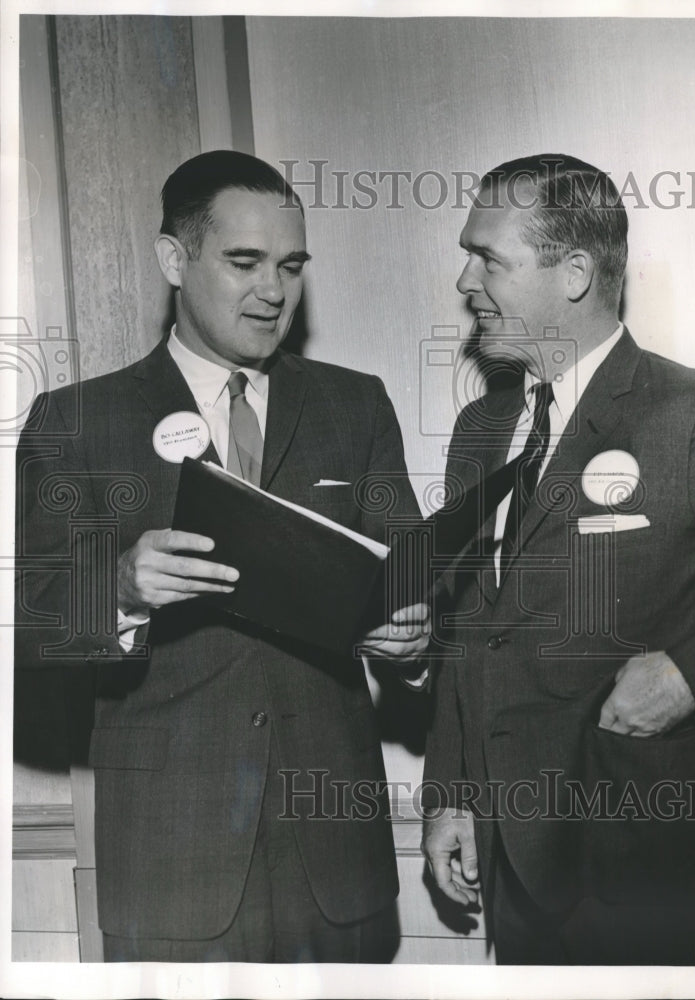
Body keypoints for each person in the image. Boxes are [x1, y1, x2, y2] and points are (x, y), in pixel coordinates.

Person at [15, 150, 428, 963]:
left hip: (336, 864)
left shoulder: (356, 403)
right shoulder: (76, 420)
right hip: (172, 865)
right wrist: (121, 590)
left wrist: (413, 639)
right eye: (244, 262)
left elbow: (412, 577)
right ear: (175, 259)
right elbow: (26, 618)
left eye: (290, 266)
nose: (273, 291)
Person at [421, 154, 695, 965]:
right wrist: (451, 796)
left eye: (487, 257)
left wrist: (691, 676)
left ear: (574, 273)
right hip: (516, 876)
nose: (465, 279)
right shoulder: (480, 433)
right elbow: (468, 627)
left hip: (656, 873)